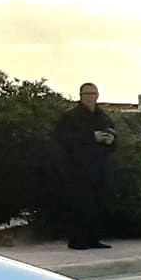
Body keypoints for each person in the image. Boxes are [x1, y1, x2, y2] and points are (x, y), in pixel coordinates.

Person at [54, 81, 117, 250]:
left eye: (93, 94)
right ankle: (77, 240)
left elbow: (113, 137)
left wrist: (111, 140)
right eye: (87, 94)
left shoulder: (103, 116)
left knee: (97, 204)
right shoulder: (70, 117)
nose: (90, 98)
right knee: (79, 205)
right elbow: (63, 139)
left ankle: (93, 238)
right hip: (78, 169)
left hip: (99, 167)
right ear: (81, 96)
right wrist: (91, 137)